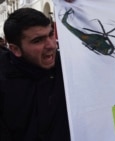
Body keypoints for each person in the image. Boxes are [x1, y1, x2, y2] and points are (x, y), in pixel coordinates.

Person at [0, 8, 70, 141]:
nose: (51, 45)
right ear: (15, 49)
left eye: (51, 34)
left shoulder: (68, 67)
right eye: (38, 40)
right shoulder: (4, 81)